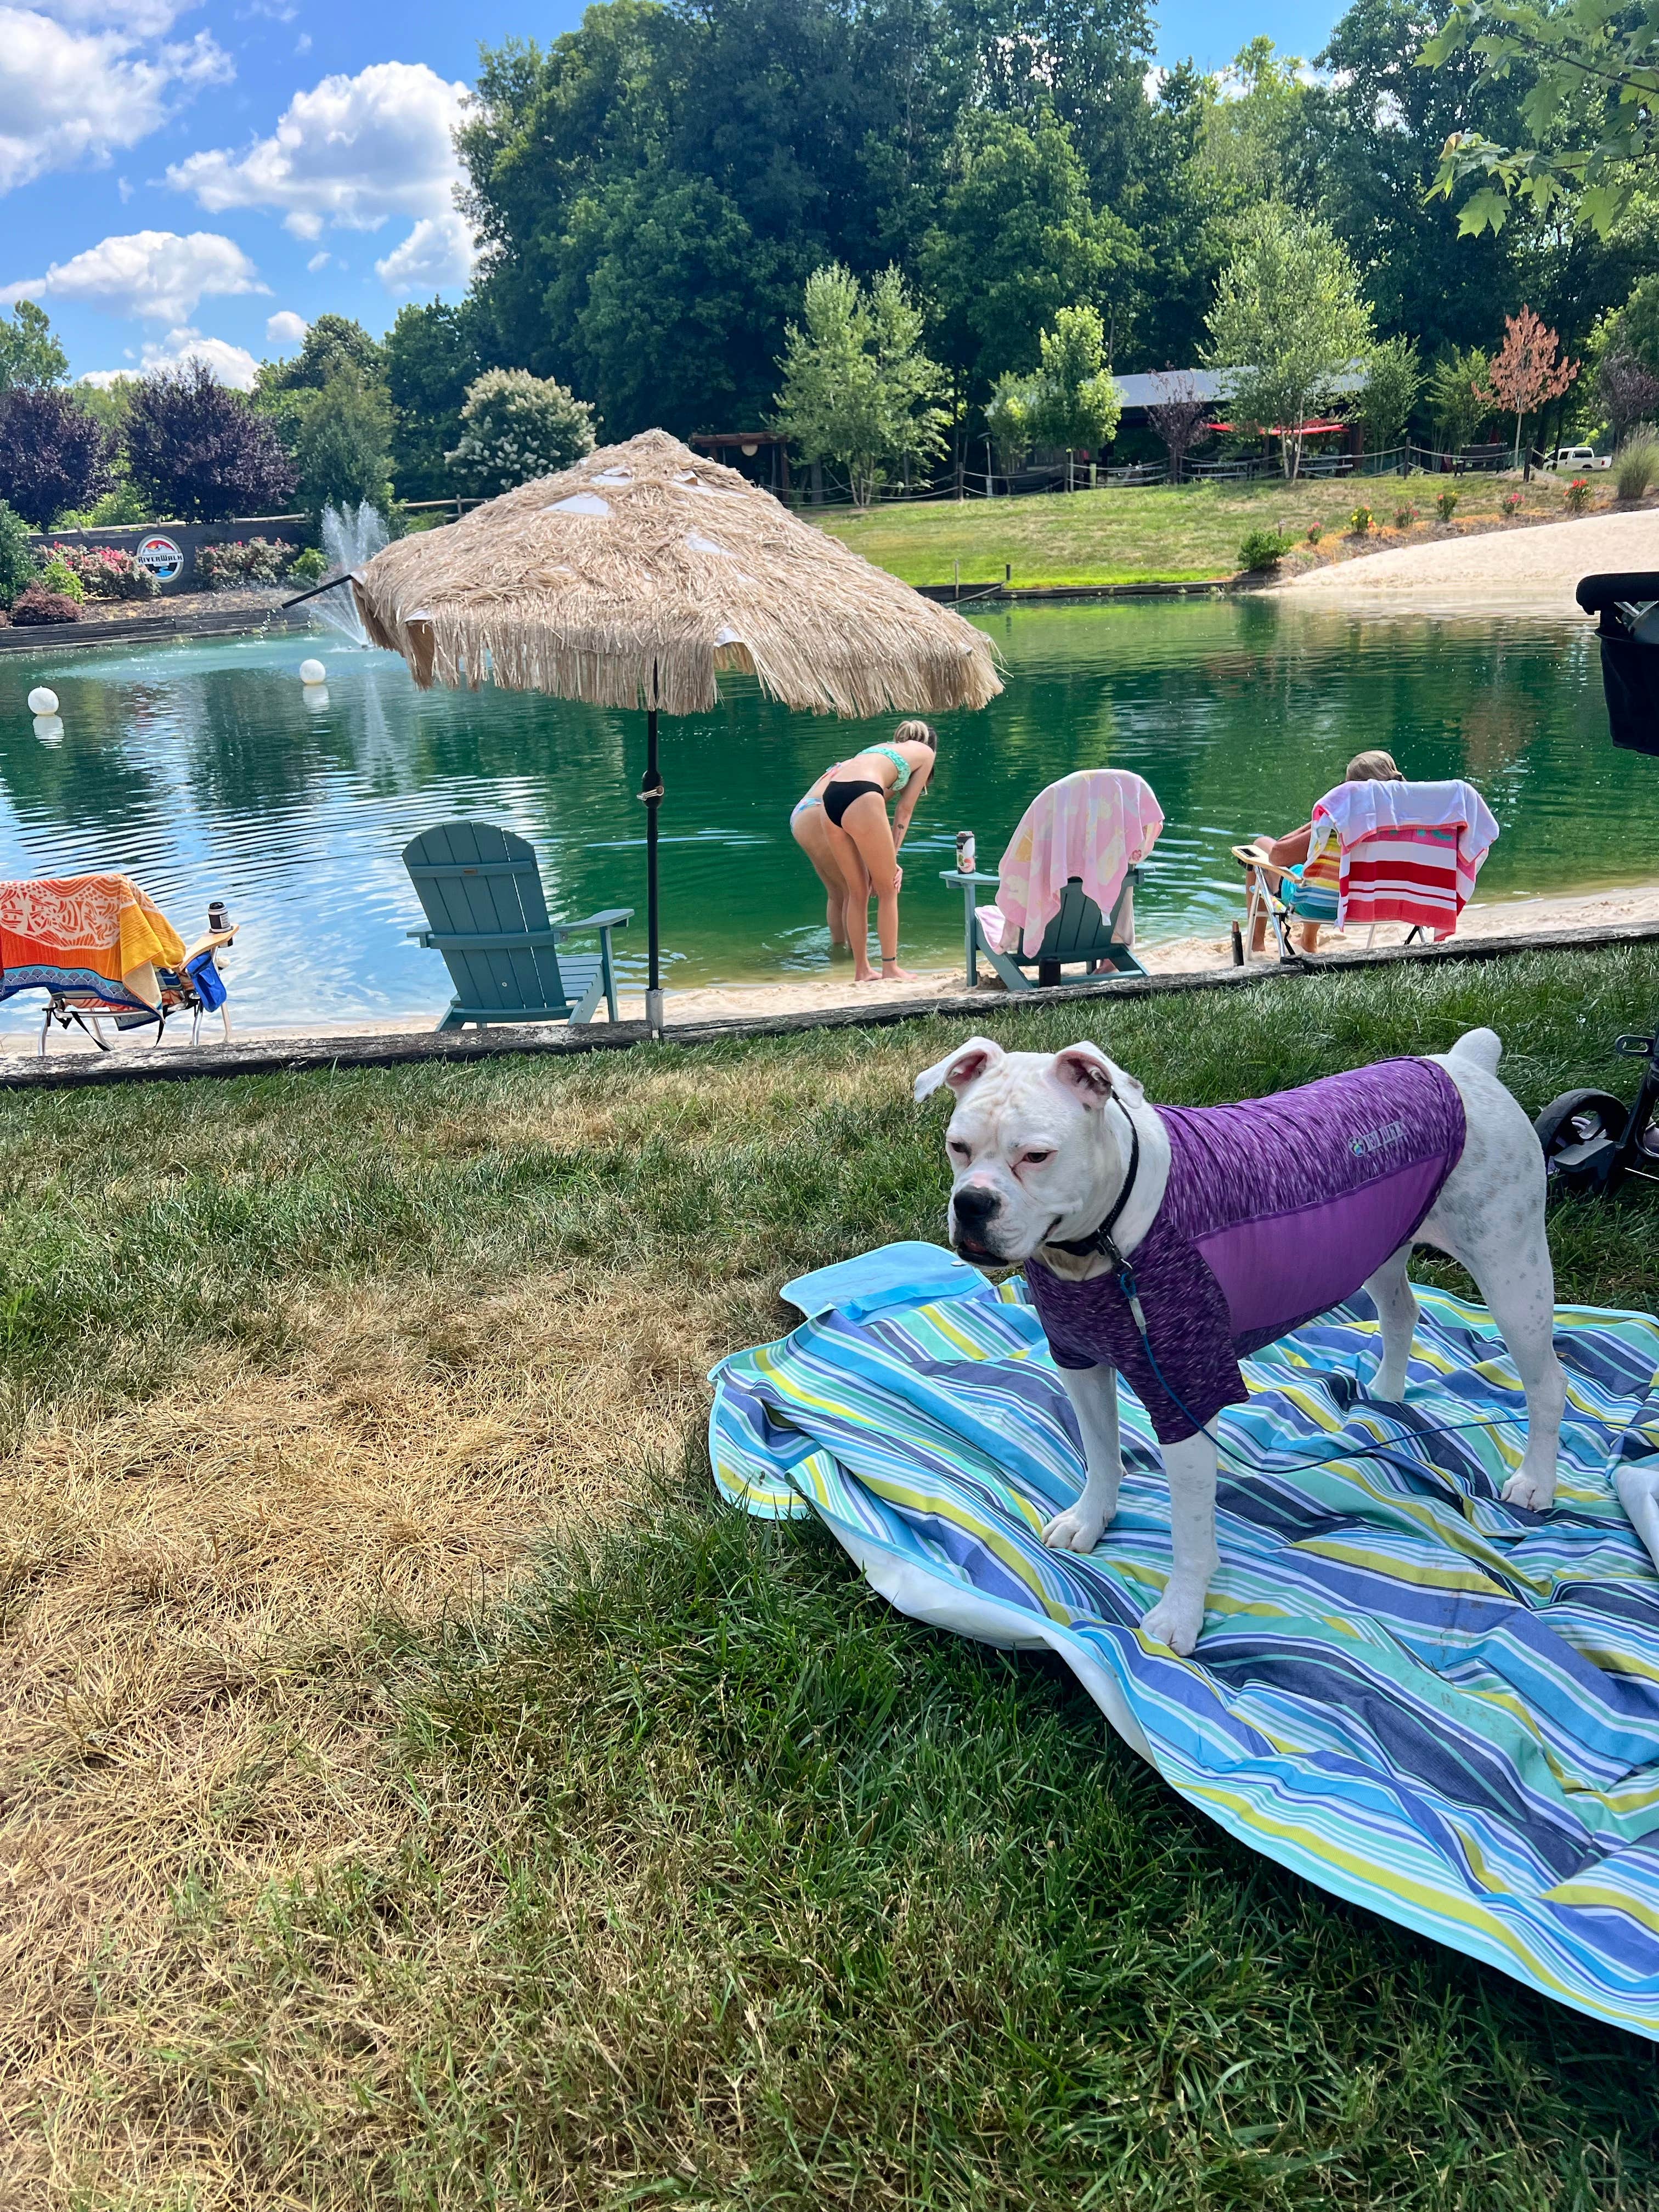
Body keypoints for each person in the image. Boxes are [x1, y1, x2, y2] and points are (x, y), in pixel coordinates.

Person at [795, 720, 939, 983]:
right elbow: (904, 810)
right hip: (862, 794)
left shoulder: (880, 749)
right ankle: (890, 968)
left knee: (856, 892)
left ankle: (862, 970)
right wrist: (892, 857)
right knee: (888, 890)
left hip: (830, 799)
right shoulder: (926, 753)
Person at [1247, 748, 1405, 955]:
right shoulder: (1406, 824)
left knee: (1262, 845)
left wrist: (1318, 820)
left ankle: (1256, 944)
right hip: (1377, 906)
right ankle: (1307, 939)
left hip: (1320, 906)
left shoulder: (1336, 823)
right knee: (1326, 869)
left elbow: (1278, 855)